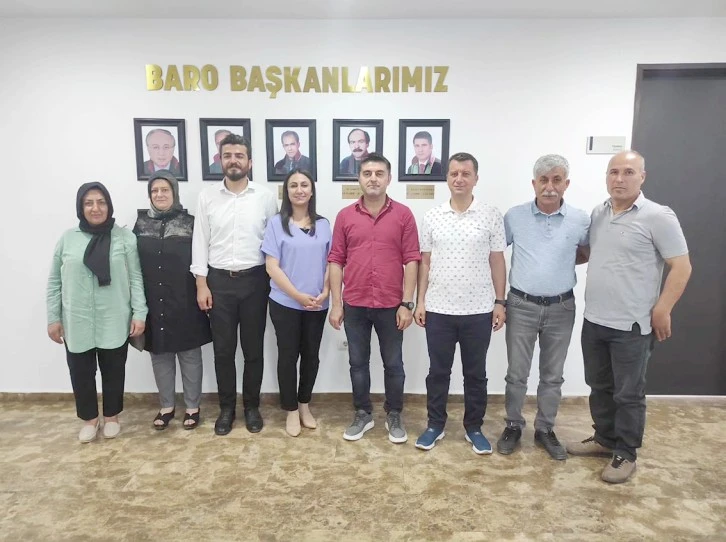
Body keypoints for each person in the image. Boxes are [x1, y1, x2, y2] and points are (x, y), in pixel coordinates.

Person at [568, 150, 691, 483]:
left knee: (628, 394)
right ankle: (605, 439)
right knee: (599, 386)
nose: (619, 179)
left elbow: (681, 266)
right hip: (595, 320)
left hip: (632, 326)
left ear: (642, 177)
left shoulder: (658, 216)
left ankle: (626, 452)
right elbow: (589, 253)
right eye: (613, 172)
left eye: (628, 172)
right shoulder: (599, 213)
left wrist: (663, 308)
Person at [496, 155, 590, 460]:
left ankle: (545, 429)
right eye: (544, 180)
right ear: (534, 183)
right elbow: (495, 252)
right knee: (516, 373)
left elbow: (585, 252)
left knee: (552, 375)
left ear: (566, 184)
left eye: (557, 180)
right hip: (521, 305)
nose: (550, 187)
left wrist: (558, 263)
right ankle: (513, 425)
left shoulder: (580, 219)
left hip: (562, 307)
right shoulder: (515, 216)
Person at [413, 152, 506, 454]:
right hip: (438, 309)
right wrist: (420, 301)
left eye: (466, 174)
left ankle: (474, 427)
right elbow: (425, 262)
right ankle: (435, 425)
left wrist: (500, 302)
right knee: (438, 372)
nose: (459, 179)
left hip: (478, 310)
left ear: (476, 178)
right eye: (454, 173)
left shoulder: (490, 215)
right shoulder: (432, 216)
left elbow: (497, 261)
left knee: (475, 374)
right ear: (447, 178)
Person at [328, 153, 420, 444]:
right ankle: (363, 413)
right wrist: (336, 303)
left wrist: (407, 303)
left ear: (389, 178)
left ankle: (394, 414)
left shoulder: (403, 215)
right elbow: (336, 260)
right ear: (359, 178)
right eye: (367, 173)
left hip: (391, 305)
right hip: (354, 303)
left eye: (379, 173)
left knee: (393, 364)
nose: (373, 179)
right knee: (357, 363)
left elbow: (412, 260)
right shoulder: (345, 216)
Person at [191, 134, 278, 436]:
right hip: (218, 283)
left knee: (253, 350)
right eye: (227, 155)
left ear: (249, 162)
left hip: (255, 281)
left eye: (239, 155)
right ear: (220, 160)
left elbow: (274, 242)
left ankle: (251, 407)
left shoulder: (265, 197)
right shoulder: (207, 197)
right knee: (223, 351)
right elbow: (200, 241)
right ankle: (226, 409)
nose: (233, 160)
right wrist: (201, 284)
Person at [47, 182, 147, 442]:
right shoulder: (68, 239)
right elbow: (55, 281)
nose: (96, 208)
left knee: (114, 369)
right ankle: (89, 419)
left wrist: (140, 313)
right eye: (89, 203)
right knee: (80, 371)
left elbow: (136, 278)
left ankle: (112, 416)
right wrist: (53, 318)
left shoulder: (124, 237)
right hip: (76, 318)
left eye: (101, 202)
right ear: (81, 207)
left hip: (114, 316)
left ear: (109, 205)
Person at [133, 170, 212, 430]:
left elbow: (202, 258)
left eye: (164, 190)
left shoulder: (190, 223)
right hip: (154, 301)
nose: (159, 195)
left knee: (190, 354)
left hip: (186, 298)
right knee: (160, 354)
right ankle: (166, 406)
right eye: (154, 191)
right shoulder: (140, 224)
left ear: (174, 192)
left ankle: (192, 407)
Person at [261, 169, 331, 437]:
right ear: (286, 191)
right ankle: (290, 409)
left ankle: (304, 405)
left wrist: (326, 291)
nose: (299, 190)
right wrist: (297, 296)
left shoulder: (323, 224)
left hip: (317, 303)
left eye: (304, 185)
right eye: (293, 185)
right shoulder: (275, 224)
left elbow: (332, 262)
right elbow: (272, 267)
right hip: (285, 303)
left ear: (312, 191)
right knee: (288, 356)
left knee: (311, 356)